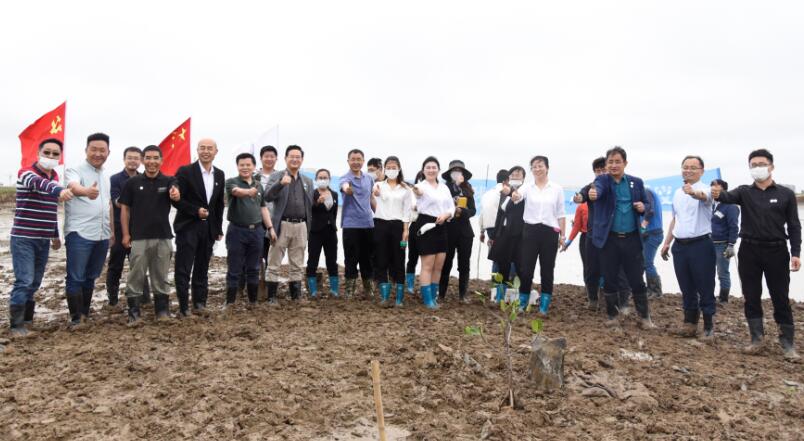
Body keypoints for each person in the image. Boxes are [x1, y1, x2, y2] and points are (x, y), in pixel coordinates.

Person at [712, 149, 800, 360]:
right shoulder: (744, 192)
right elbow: (725, 196)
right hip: (750, 250)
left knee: (780, 297)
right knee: (751, 296)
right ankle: (756, 339)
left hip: (777, 250)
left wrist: (796, 252)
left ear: (771, 166)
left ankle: (788, 344)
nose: (758, 168)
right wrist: (713, 191)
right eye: (753, 165)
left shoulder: (785, 194)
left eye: (762, 164)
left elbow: (794, 225)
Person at [8, 139, 73, 336]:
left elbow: (50, 210)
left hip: (43, 239)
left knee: (35, 281)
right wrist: (60, 190)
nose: (51, 156)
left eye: (55, 154)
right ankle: (16, 325)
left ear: (60, 157)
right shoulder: (26, 173)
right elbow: (40, 184)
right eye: (47, 152)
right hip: (24, 237)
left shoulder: (54, 177)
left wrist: (55, 235)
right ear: (38, 153)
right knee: (24, 280)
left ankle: (27, 320)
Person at [587, 147, 654, 329]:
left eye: (617, 161)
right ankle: (612, 316)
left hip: (632, 239)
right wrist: (593, 194)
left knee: (636, 278)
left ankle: (644, 317)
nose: (613, 165)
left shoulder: (636, 182)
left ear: (625, 163)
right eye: (610, 162)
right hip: (609, 239)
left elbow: (648, 204)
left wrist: (643, 207)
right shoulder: (602, 180)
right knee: (610, 277)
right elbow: (597, 190)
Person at [119, 145, 181, 324]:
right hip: (138, 237)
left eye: (155, 158)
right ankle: (134, 314)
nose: (152, 162)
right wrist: (125, 234)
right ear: (142, 160)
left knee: (161, 276)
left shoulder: (168, 181)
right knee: (136, 276)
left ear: (161, 161)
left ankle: (162, 312)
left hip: (163, 237)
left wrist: (175, 193)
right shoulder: (132, 183)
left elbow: (175, 189)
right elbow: (125, 209)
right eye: (148, 158)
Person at [660, 156, 717, 338]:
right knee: (686, 286)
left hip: (701, 244)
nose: (688, 170)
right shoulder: (677, 193)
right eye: (685, 167)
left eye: (693, 167)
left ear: (702, 171)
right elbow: (675, 219)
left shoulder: (706, 189)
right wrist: (667, 242)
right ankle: (689, 323)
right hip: (680, 245)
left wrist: (692, 192)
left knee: (705, 285)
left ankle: (708, 326)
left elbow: (703, 197)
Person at [63, 132, 113, 326]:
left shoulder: (105, 176)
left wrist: (112, 232)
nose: (98, 154)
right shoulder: (74, 170)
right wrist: (86, 192)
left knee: (91, 276)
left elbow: (108, 205)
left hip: (102, 234)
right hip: (80, 233)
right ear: (86, 150)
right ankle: (76, 319)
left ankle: (84, 313)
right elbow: (73, 187)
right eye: (94, 149)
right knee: (76, 276)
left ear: (108, 152)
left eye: (102, 150)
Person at [172, 139, 225, 316]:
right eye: (202, 148)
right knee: (183, 268)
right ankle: (183, 307)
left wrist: (218, 229)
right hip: (188, 226)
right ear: (197, 150)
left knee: (202, 267)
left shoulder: (219, 174)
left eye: (209, 148)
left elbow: (218, 204)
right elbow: (177, 200)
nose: (206, 151)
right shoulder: (186, 171)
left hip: (208, 229)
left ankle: (199, 303)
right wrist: (195, 211)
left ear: (216, 152)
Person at [511, 156, 565, 315]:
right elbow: (517, 197)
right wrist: (514, 195)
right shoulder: (527, 187)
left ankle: (544, 306)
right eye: (534, 166)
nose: (537, 169)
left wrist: (563, 236)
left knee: (547, 269)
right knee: (526, 269)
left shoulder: (557, 189)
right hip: (530, 231)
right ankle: (522, 303)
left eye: (540, 165)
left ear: (547, 168)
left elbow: (561, 214)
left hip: (550, 232)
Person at [264, 145, 314, 303]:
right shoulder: (277, 176)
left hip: (301, 225)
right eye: (291, 156)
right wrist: (280, 184)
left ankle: (296, 296)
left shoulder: (307, 181)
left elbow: (310, 205)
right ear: (285, 159)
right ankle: (271, 297)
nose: (295, 159)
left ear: (302, 159)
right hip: (282, 224)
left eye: (298, 157)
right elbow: (267, 196)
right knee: (274, 262)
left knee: (297, 263)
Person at [224, 153, 275, 308]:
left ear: (254, 167)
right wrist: (247, 192)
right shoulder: (231, 182)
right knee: (234, 268)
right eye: (242, 165)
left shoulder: (258, 185)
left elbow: (263, 208)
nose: (245, 167)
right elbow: (236, 192)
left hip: (257, 231)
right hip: (237, 231)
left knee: (254, 267)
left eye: (248, 165)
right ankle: (230, 302)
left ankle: (253, 302)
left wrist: (270, 228)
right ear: (237, 166)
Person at [106, 147, 150, 308]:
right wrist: (136, 202)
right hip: (119, 228)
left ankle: (145, 298)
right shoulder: (115, 179)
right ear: (124, 159)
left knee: (139, 264)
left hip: (140, 229)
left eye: (136, 158)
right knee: (115, 264)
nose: (133, 161)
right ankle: (113, 300)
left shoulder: (145, 178)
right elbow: (117, 202)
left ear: (141, 160)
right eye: (129, 158)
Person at [411, 157, 454, 309]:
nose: (431, 170)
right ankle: (427, 299)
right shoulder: (419, 186)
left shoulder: (444, 188)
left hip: (441, 225)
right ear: (423, 170)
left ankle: (434, 297)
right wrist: (417, 192)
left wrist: (446, 215)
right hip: (426, 225)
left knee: (438, 265)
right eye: (428, 167)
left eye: (434, 167)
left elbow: (451, 207)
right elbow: (416, 199)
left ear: (438, 170)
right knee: (427, 265)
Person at [239, 145, 279, 295]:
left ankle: (267, 286)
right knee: (250, 254)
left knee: (270, 255)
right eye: (266, 156)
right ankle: (242, 286)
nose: (269, 159)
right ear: (261, 158)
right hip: (254, 220)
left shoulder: (281, 176)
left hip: (273, 221)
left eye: (272, 156)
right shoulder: (253, 176)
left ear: (276, 159)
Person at [372, 156, 412, 306]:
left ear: (399, 169)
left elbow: (407, 211)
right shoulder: (379, 185)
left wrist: (405, 230)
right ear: (384, 169)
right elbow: (374, 192)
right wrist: (375, 192)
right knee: (381, 259)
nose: (391, 170)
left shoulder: (405, 189)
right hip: (380, 225)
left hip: (398, 226)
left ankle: (399, 298)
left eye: (394, 167)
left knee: (399, 260)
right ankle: (384, 297)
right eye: (388, 167)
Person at [339, 149, 376, 298]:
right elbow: (344, 186)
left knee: (368, 258)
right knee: (351, 258)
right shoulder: (345, 178)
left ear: (363, 161)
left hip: (368, 224)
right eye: (353, 159)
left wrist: (380, 215)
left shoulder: (369, 178)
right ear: (348, 161)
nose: (356, 162)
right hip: (351, 225)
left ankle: (368, 289)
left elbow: (371, 198)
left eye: (359, 159)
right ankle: (350, 290)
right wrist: (347, 189)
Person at [439, 160, 476, 303]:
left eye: (459, 171)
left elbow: (473, 210)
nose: (457, 173)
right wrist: (456, 186)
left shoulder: (468, 189)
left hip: (465, 232)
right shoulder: (444, 188)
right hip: (448, 230)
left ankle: (463, 295)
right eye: (454, 171)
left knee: (464, 264)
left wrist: (462, 211)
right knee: (446, 263)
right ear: (449, 173)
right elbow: (441, 206)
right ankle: (441, 294)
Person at [489, 166, 525, 303]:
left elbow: (519, 200)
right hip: (503, 233)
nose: (515, 176)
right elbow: (499, 214)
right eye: (513, 174)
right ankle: (500, 296)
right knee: (502, 265)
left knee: (520, 266)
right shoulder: (503, 192)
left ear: (523, 177)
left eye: (518, 174)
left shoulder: (525, 192)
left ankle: (523, 296)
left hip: (519, 234)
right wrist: (493, 235)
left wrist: (511, 193)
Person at [306, 169, 339, 298]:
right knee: (312, 260)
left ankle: (334, 289)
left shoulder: (334, 194)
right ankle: (313, 290)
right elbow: (308, 210)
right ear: (316, 179)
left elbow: (334, 213)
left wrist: (333, 224)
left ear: (329, 179)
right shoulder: (312, 194)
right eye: (320, 177)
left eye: (325, 177)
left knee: (332, 260)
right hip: (315, 231)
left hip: (331, 231)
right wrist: (317, 203)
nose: (323, 179)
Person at [710, 179, 739, 303]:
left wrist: (731, 244)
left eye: (717, 186)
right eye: (712, 186)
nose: (713, 188)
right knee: (707, 271)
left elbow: (734, 227)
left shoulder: (731, 206)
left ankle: (723, 298)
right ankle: (709, 295)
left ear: (724, 190)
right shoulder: (711, 204)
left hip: (722, 244)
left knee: (722, 272)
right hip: (708, 243)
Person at [479, 169, 509, 276]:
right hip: (503, 228)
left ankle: (495, 282)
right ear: (506, 181)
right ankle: (501, 283)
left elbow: (482, 214)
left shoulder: (486, 194)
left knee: (495, 256)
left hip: (490, 229)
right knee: (505, 258)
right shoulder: (506, 193)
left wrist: (482, 231)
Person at [641, 186, 664, 298]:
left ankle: (655, 290)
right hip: (649, 233)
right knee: (642, 262)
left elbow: (650, 210)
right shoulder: (646, 192)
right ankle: (646, 289)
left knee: (647, 263)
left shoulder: (646, 192)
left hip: (652, 233)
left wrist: (643, 225)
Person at [404, 171, 425, 294]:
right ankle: (410, 284)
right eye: (420, 178)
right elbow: (411, 207)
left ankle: (425, 284)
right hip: (415, 225)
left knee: (427, 259)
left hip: (429, 227)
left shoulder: (435, 191)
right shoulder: (412, 191)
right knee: (412, 257)